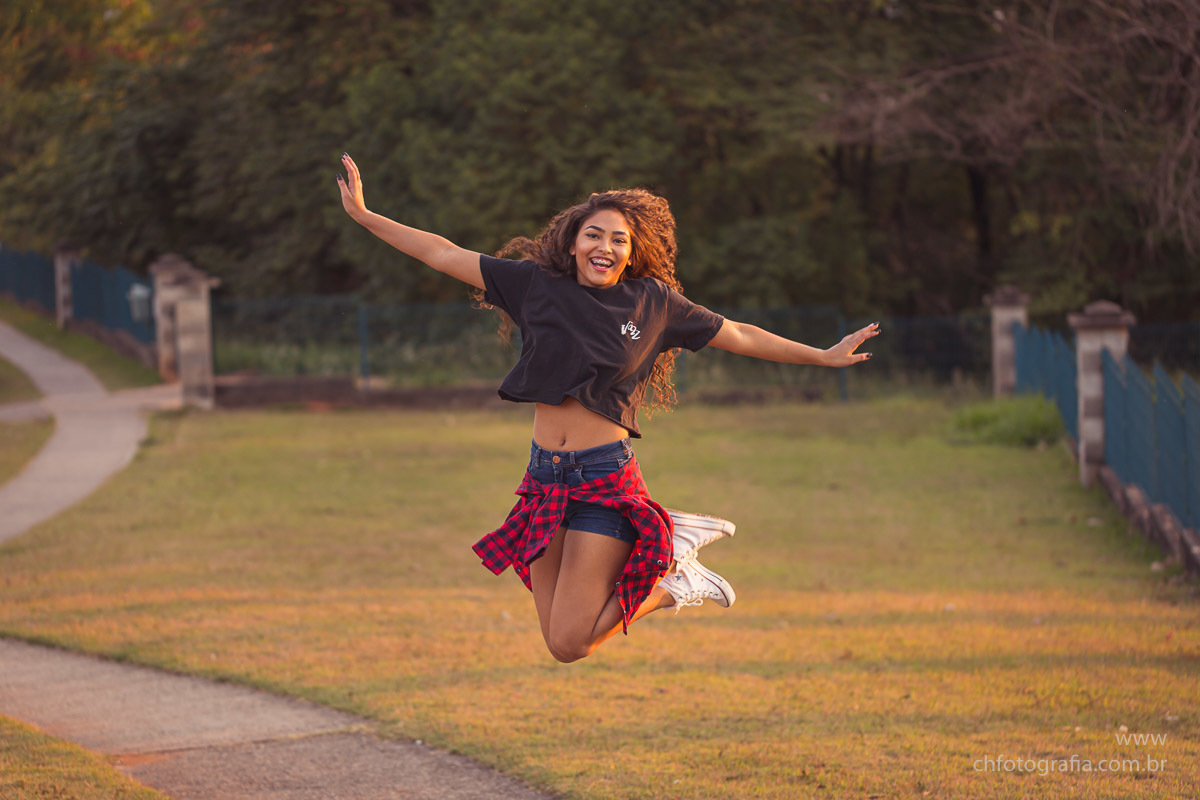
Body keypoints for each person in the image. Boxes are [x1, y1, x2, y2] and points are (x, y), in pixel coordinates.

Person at [336, 153, 879, 663]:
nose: (606, 246)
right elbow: (442, 252)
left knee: (573, 643)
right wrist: (365, 217)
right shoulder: (534, 285)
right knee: (556, 639)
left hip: (604, 479)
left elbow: (737, 333)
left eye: (619, 239)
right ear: (572, 242)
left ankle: (674, 584)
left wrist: (821, 356)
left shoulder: (655, 303)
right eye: (594, 234)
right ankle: (676, 554)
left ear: (631, 251)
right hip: (543, 477)